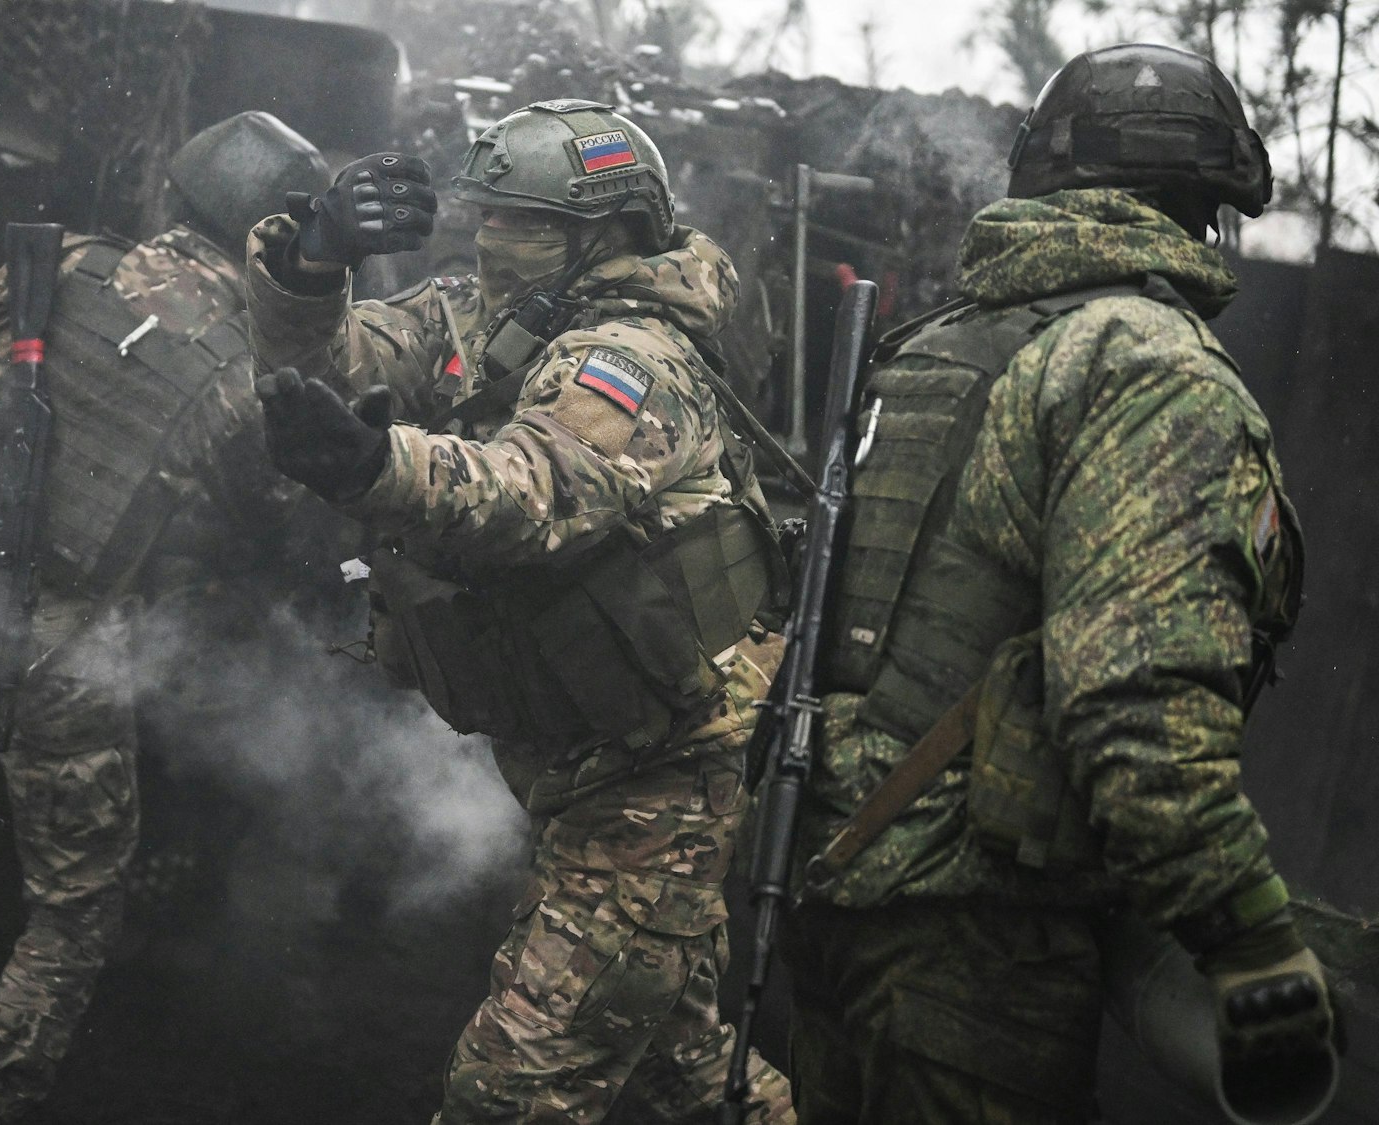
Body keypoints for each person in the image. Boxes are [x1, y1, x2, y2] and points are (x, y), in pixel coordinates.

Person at [780, 44, 1329, 1123]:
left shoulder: (936, 344)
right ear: (1201, 206)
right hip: (979, 941)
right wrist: (1250, 941)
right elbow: (1136, 712)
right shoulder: (1143, 366)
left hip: (833, 899)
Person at [246, 98, 795, 1124]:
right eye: (487, 214)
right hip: (572, 750)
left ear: (606, 233)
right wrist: (312, 261)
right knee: (687, 1070)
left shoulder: (636, 358)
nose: (491, 237)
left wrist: (380, 463)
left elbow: (531, 491)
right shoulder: (477, 315)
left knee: (508, 1093)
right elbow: (322, 370)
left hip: (658, 771)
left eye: (523, 221)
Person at [0, 111, 329, 1125]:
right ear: (273, 238)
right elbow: (277, 527)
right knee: (70, 910)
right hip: (69, 657)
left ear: (179, 192)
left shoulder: (55, 265)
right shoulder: (244, 375)